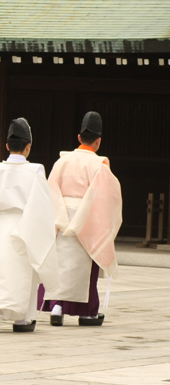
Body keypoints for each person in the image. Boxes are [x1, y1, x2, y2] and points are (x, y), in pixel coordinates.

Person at [0, 118, 60, 333]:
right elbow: (41, 206)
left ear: (7, 146)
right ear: (28, 147)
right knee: (24, 271)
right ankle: (21, 318)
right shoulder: (36, 171)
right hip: (26, 224)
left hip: (0, 225)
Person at [38, 112, 122, 327]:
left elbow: (50, 191)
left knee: (59, 265)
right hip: (87, 220)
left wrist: (60, 216)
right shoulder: (99, 165)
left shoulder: (61, 162)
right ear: (98, 140)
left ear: (78, 137)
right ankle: (86, 314)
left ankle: (56, 307)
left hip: (61, 216)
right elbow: (107, 197)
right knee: (85, 269)